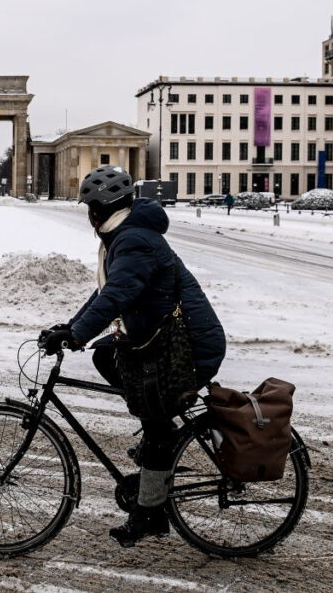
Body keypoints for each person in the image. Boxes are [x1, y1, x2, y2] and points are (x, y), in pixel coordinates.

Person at [39, 165, 226, 548]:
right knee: (105, 355)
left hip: (188, 347)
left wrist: (76, 333)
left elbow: (118, 295)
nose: (89, 216)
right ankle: (161, 433)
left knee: (157, 428)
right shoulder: (124, 236)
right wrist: (71, 327)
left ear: (100, 209)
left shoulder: (134, 239)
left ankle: (150, 513)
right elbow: (107, 292)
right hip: (162, 341)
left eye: (90, 207)